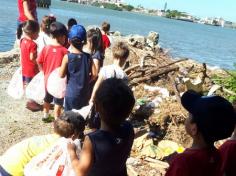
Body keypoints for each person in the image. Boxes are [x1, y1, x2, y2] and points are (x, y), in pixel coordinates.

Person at [68, 78, 135, 176]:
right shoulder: (129, 128)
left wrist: (72, 152)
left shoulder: (92, 140)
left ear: (96, 107)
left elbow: (80, 172)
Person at [165, 90, 236, 176]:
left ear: (194, 129)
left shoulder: (183, 162)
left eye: (189, 115)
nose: (186, 119)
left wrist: (175, 165)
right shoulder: (216, 155)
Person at [0, 111, 86, 176]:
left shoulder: (49, 138)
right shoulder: (58, 147)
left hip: (4, 161)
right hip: (12, 171)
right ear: (74, 134)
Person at [60, 24, 95, 111]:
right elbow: (94, 74)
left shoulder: (67, 57)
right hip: (84, 93)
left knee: (69, 117)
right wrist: (86, 80)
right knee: (81, 117)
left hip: (71, 93)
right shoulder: (88, 57)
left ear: (69, 40)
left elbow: (61, 75)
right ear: (85, 41)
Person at [37, 21, 68, 120]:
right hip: (59, 82)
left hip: (47, 80)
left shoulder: (46, 48)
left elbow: (38, 61)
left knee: (47, 99)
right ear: (62, 37)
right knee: (58, 101)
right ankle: (56, 119)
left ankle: (45, 116)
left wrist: (43, 71)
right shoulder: (65, 51)